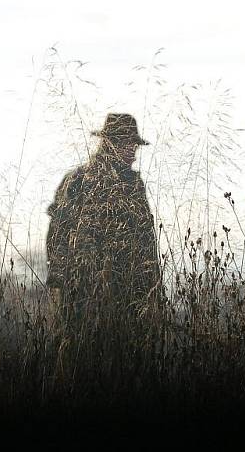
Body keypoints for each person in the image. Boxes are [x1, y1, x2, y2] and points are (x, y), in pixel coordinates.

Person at [46, 113, 162, 325]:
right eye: (130, 146)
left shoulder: (133, 184)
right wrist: (63, 286)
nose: (134, 154)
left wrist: (153, 291)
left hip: (126, 296)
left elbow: (146, 240)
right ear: (112, 144)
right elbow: (59, 236)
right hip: (84, 295)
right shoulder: (79, 180)